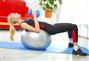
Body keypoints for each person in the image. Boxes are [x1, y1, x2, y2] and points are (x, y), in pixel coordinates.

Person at [7, 12, 88, 56]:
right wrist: (34, 17)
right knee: (74, 27)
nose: (16, 13)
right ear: (15, 19)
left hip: (50, 26)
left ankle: (71, 43)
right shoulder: (23, 24)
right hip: (51, 29)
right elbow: (37, 30)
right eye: (15, 14)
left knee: (70, 26)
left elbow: (35, 24)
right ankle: (76, 49)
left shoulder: (22, 22)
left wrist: (34, 17)